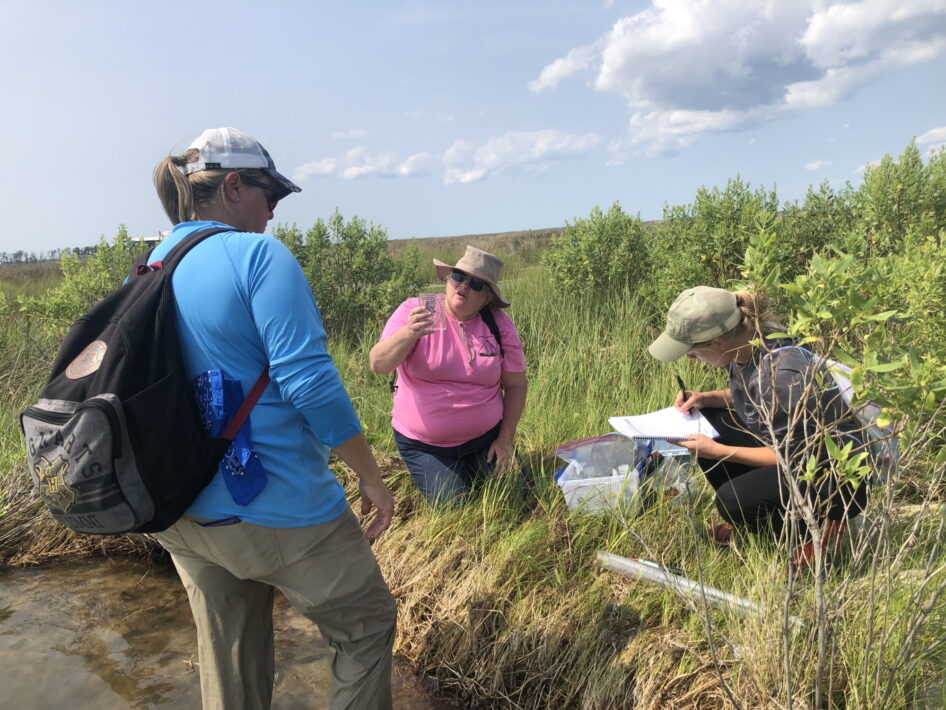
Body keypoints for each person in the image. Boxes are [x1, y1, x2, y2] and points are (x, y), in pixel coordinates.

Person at [147, 127, 397, 710]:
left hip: (179, 509)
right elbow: (308, 380)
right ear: (234, 186)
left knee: (230, 654)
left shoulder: (154, 262)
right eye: (271, 195)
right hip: (279, 508)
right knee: (365, 627)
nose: (273, 212)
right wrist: (370, 474)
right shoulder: (259, 256)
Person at [647, 286, 868, 566]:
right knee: (712, 419)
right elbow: (751, 396)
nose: (690, 359)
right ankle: (758, 520)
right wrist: (707, 399)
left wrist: (718, 451)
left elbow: (793, 457)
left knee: (730, 499)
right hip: (796, 445)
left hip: (835, 475)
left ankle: (817, 533)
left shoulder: (782, 376)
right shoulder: (748, 342)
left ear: (717, 343)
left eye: (692, 352)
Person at [369, 246, 528, 506]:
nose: (463, 285)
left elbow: (516, 385)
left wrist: (505, 441)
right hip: (425, 444)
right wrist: (409, 333)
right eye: (458, 276)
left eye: (476, 283)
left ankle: (478, 467)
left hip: (484, 438)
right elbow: (378, 364)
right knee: (455, 507)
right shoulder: (418, 310)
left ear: (487, 297)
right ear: (447, 279)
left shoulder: (498, 324)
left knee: (512, 498)